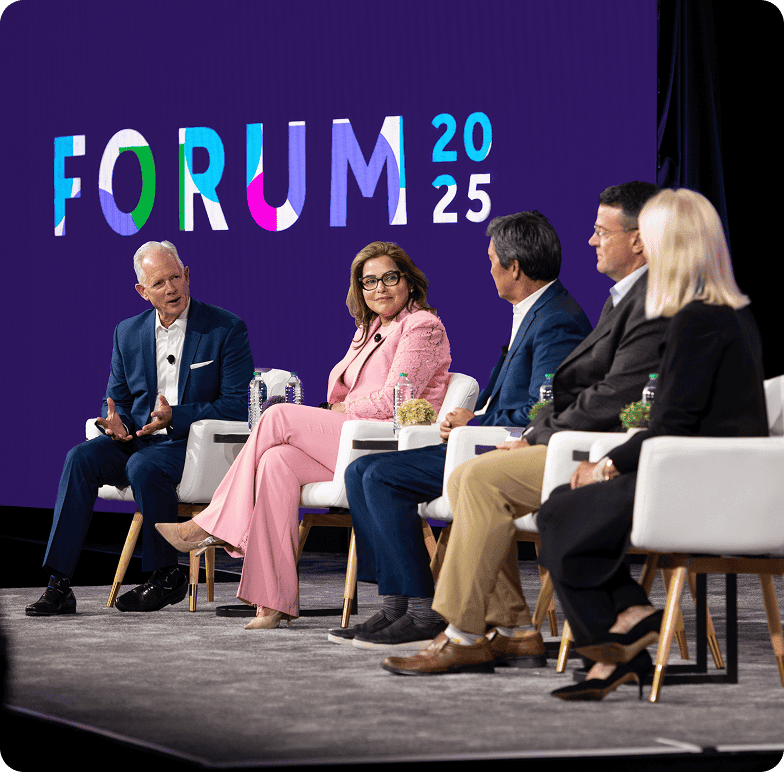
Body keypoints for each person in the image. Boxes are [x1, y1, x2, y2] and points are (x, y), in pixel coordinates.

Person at [381, 180, 669, 675]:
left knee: (476, 477)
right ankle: (512, 628)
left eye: (601, 231)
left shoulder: (644, 301)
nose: (591, 241)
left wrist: (535, 435)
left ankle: (462, 632)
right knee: (476, 478)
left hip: (609, 452)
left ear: (639, 239)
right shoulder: (619, 299)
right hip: (581, 442)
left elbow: (612, 395)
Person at [536, 188, 768, 701]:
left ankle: (614, 641)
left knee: (559, 514)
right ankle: (629, 630)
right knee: (563, 511)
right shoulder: (726, 312)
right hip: (705, 471)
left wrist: (607, 465)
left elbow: (673, 425)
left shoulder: (697, 320)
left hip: (703, 482)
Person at [331, 211, 592, 651]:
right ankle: (398, 605)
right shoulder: (533, 312)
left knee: (379, 476)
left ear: (513, 267)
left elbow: (546, 407)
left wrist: (480, 422)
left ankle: (423, 610)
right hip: (481, 443)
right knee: (362, 472)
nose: (488, 269)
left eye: (492, 260)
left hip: (509, 452)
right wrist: (474, 416)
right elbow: (512, 398)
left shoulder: (555, 320)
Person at [157, 242, 452, 629]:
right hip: (352, 435)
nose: (379, 288)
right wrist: (338, 408)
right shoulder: (369, 329)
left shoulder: (422, 326)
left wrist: (340, 411)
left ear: (409, 282)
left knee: (278, 416)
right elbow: (341, 394)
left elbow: (395, 399)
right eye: (369, 282)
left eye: (389, 278)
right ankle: (272, 600)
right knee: (276, 461)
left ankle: (215, 522)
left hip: (387, 440)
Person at [26, 241, 254, 615]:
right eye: (160, 283)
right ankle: (59, 583)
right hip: (141, 441)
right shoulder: (127, 332)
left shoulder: (224, 328)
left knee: (143, 466)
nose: (171, 289)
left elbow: (236, 404)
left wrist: (176, 416)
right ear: (142, 291)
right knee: (80, 458)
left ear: (188, 276)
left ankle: (166, 575)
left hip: (192, 445)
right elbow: (117, 399)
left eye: (176, 278)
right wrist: (115, 422)